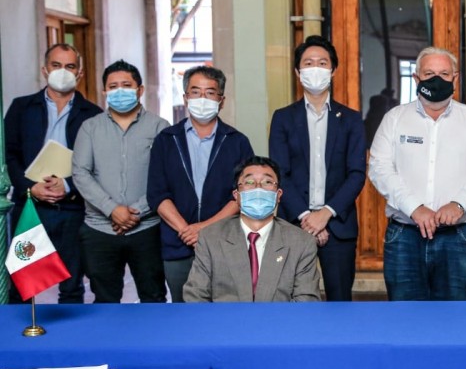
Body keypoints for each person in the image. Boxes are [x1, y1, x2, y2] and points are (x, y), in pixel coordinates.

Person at [368, 46, 466, 301]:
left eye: (444, 74)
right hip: (405, 235)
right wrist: (414, 207)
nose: (436, 80)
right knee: (404, 314)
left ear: (455, 78)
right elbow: (379, 168)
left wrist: (459, 203)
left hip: (457, 236)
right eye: (429, 74)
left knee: (453, 317)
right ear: (416, 78)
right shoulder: (395, 118)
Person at [268, 35, 367, 301]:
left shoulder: (351, 119)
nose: (315, 69)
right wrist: (306, 217)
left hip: (338, 225)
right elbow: (279, 173)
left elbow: (357, 174)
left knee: (340, 302)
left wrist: (325, 214)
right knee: (292, 299)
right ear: (297, 71)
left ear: (333, 70)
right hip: (294, 224)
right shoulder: (283, 118)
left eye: (322, 63)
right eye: (308, 63)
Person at [4, 43, 103, 304]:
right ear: (45, 70)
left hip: (73, 209)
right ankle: (20, 330)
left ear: (79, 73)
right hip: (29, 207)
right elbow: (8, 154)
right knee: (20, 283)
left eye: (70, 66)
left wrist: (68, 185)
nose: (63, 71)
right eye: (56, 65)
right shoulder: (21, 108)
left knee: (72, 285)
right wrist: (29, 187)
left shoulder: (93, 114)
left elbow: (99, 164)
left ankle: (71, 331)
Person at [147, 65, 254, 303]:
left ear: (221, 101)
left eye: (210, 93)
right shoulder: (167, 140)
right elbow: (157, 193)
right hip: (178, 242)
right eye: (195, 92)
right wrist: (186, 230)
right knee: (182, 308)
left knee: (226, 308)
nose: (202, 99)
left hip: (224, 243)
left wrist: (204, 229)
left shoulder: (237, 142)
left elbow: (242, 194)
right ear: (186, 98)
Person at [72, 59, 169, 303]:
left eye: (126, 85)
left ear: (140, 89)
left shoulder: (159, 127)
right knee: (105, 299)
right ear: (104, 91)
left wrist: (135, 212)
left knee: (153, 296)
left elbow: (166, 176)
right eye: (113, 87)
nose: (119, 91)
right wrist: (112, 209)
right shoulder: (90, 128)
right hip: (99, 228)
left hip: (147, 227)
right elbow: (81, 173)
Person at [183, 156, 321, 302]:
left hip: (280, 317)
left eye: (267, 182)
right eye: (249, 182)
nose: (258, 188)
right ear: (236, 196)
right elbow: (195, 296)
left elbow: (306, 301)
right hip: (224, 317)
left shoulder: (302, 242)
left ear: (278, 195)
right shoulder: (210, 238)